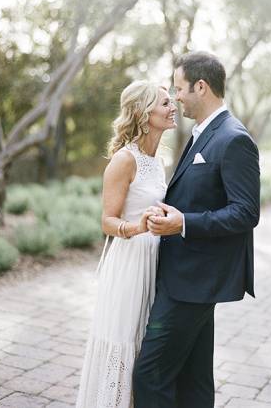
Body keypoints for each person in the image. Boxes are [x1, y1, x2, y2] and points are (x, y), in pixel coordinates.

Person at [133, 51, 261, 408]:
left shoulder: (233, 138)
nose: (175, 97)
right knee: (193, 379)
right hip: (188, 277)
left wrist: (183, 223)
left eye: (179, 89)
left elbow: (245, 212)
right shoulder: (203, 133)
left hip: (195, 281)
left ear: (200, 87)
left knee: (150, 374)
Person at [76, 80, 177, 408]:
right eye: (165, 103)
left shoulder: (158, 161)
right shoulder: (124, 159)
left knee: (145, 349)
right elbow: (107, 220)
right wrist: (137, 227)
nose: (172, 107)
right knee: (124, 343)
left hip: (155, 261)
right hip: (130, 262)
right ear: (145, 113)